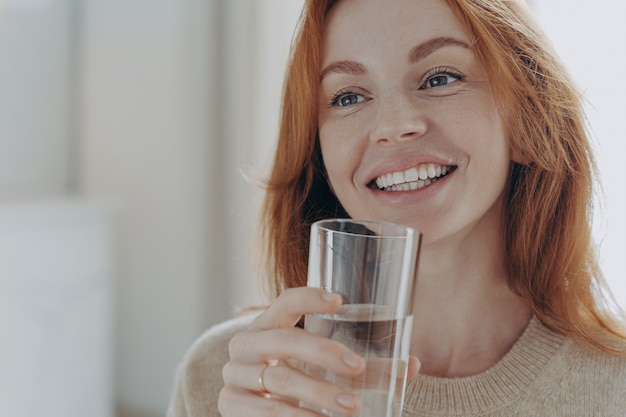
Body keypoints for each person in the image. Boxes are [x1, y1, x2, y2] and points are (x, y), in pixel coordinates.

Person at [167, 0, 626, 415]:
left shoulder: (614, 385)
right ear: (319, 155)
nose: (394, 125)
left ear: (529, 121)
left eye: (440, 78)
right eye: (349, 96)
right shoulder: (231, 380)